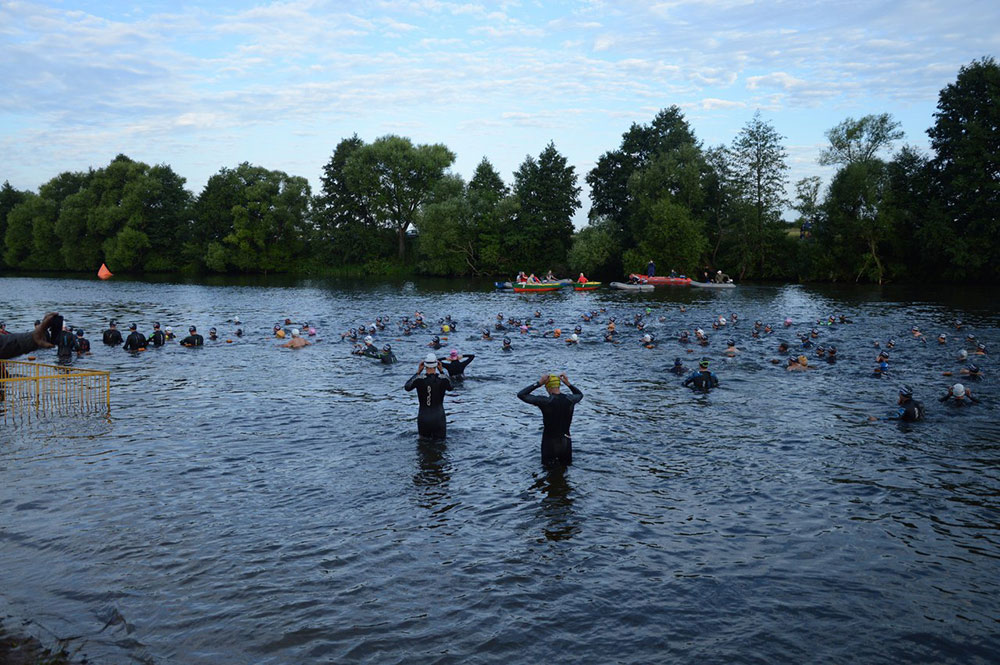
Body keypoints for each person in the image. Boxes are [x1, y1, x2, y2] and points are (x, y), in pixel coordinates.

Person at [517, 372, 584, 467]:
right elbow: (580, 394)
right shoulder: (570, 399)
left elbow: (521, 395)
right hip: (566, 442)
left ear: (548, 387)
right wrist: (568, 384)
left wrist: (538, 383)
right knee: (565, 471)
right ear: (559, 386)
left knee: (548, 473)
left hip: (550, 444)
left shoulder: (545, 402)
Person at [404, 353, 453, 440]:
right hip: (439, 417)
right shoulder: (443, 379)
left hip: (423, 417)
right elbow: (451, 387)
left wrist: (418, 372)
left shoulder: (419, 379)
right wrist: (442, 371)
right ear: (437, 365)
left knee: (423, 445)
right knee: (441, 445)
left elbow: (407, 387)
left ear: (424, 365)